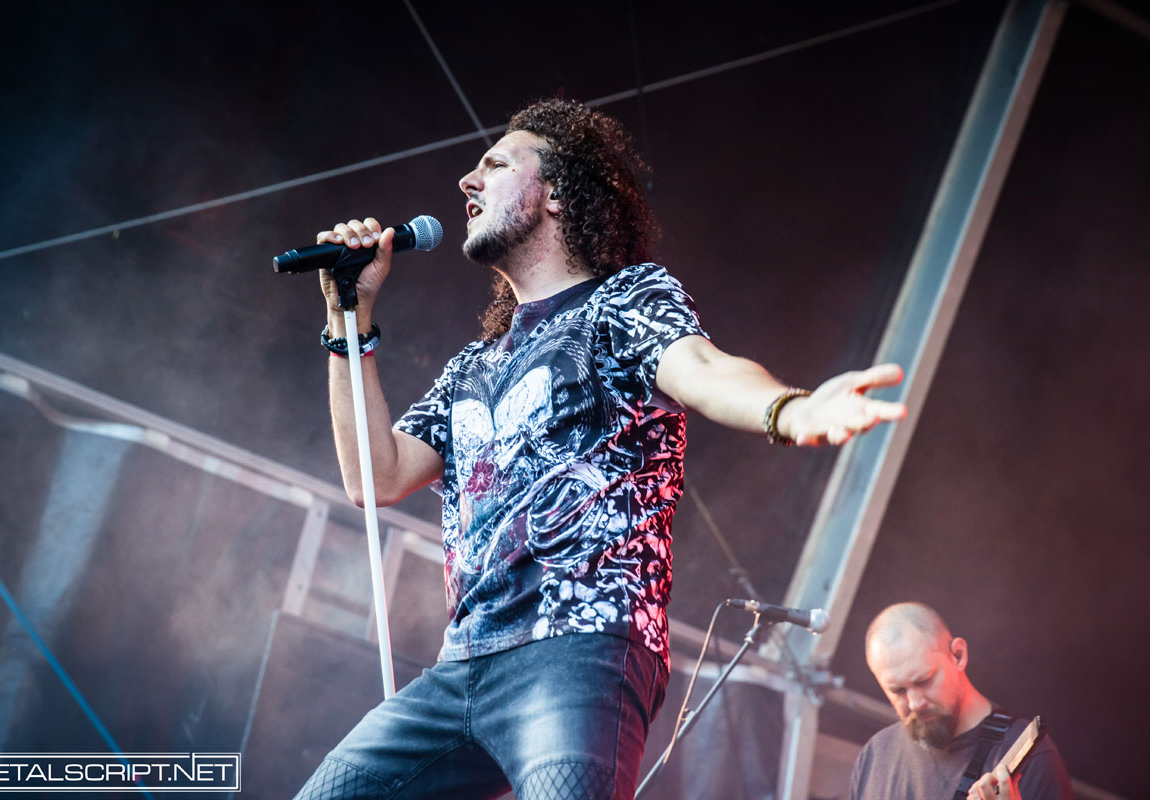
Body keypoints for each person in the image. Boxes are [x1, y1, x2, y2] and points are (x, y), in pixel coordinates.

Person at [295, 97, 907, 800]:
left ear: (556, 193)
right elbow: (375, 478)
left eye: (496, 164)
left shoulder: (622, 302)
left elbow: (701, 368)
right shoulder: (472, 368)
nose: (468, 180)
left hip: (578, 648)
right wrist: (347, 318)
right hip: (461, 665)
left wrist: (790, 409)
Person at [849, 602, 1073, 800]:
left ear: (958, 655)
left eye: (924, 681)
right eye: (898, 691)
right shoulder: (874, 755)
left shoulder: (1029, 756)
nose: (915, 703)